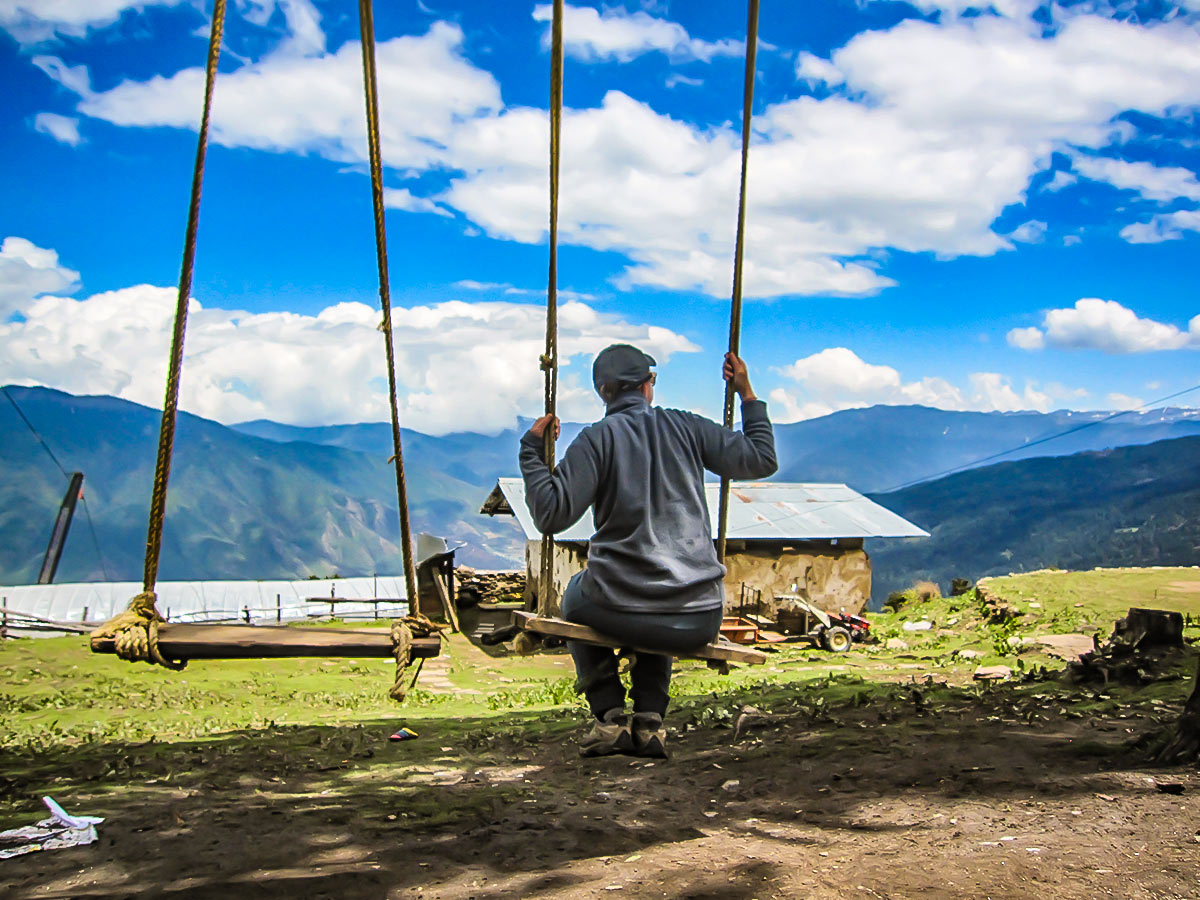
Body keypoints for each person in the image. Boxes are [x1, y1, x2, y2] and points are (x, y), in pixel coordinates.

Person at [519, 344, 777, 758]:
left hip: (621, 604)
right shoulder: (687, 427)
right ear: (647, 386)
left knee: (577, 597)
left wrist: (532, 454)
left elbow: (550, 515)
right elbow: (762, 459)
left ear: (604, 392)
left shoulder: (595, 440)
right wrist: (746, 393)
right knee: (660, 602)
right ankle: (651, 722)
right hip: (700, 616)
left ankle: (609, 719)